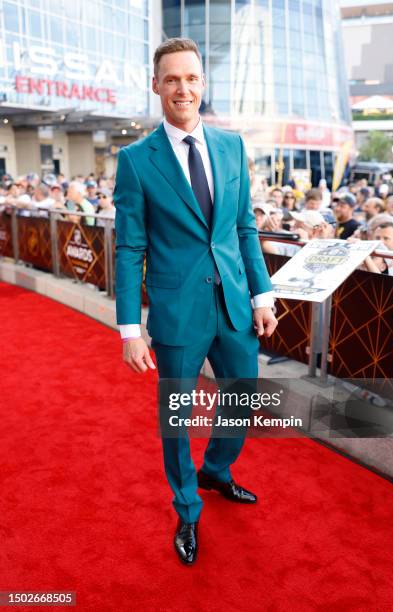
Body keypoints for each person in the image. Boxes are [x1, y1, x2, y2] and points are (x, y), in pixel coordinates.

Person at [114, 37, 278, 566]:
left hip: (234, 304)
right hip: (176, 313)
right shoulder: (136, 161)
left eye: (192, 78)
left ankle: (216, 471)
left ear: (202, 83)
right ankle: (187, 508)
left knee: (244, 396)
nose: (183, 88)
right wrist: (129, 328)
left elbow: (243, 227)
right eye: (172, 79)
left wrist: (261, 294)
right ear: (157, 85)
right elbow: (129, 247)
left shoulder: (231, 146)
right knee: (176, 418)